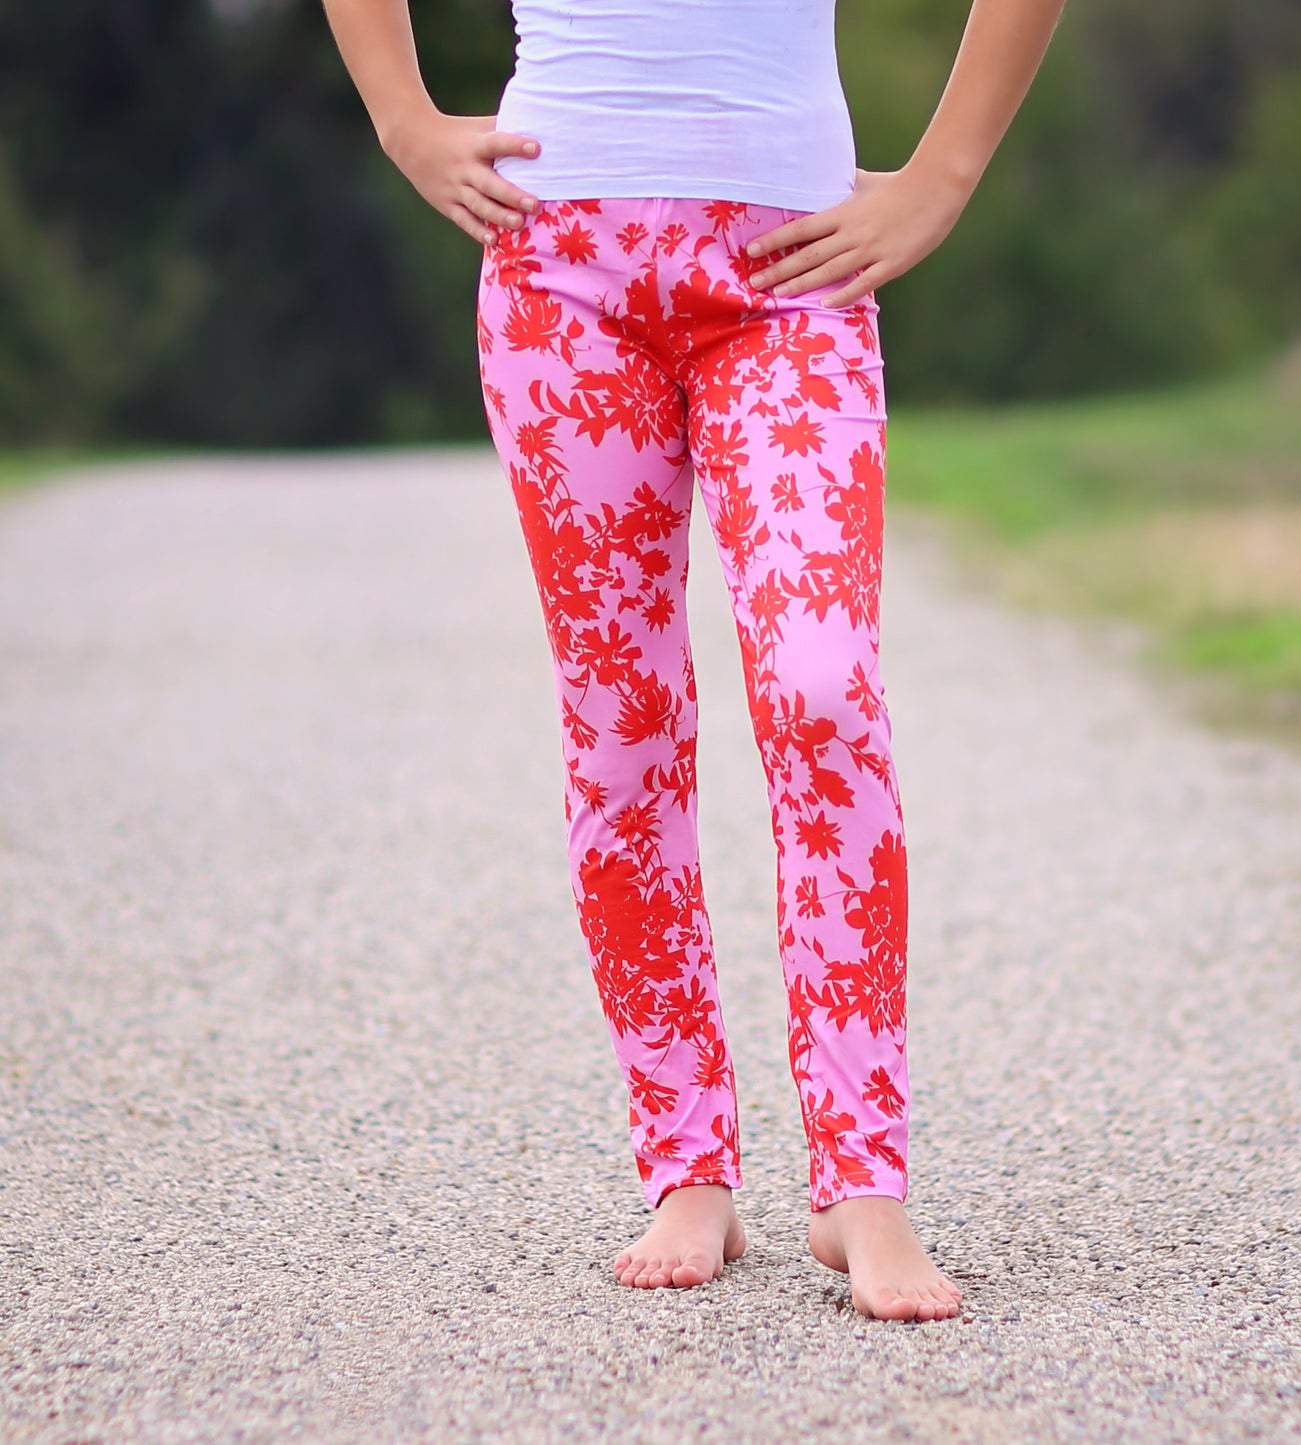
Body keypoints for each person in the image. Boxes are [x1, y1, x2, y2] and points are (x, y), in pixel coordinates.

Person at [320, 0, 1067, 1322]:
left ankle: (861, 1177)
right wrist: (400, 117)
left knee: (823, 686)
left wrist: (944, 172)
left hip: (791, 267)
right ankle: (687, 1163)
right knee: (622, 728)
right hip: (558, 269)